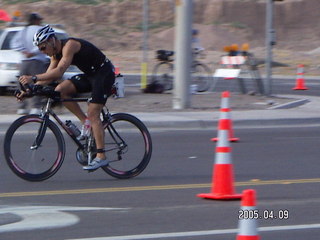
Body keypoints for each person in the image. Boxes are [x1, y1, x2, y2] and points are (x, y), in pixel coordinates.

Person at [17, 25, 115, 171]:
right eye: (39, 49)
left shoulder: (70, 45)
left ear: (51, 41)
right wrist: (29, 91)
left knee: (94, 112)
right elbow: (47, 78)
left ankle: (101, 157)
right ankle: (86, 123)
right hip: (90, 76)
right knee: (61, 90)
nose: (42, 52)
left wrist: (33, 77)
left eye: (43, 48)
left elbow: (59, 72)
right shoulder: (55, 55)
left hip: (104, 73)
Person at [11, 13, 49, 115]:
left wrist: (24, 51)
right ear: (36, 20)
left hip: (24, 61)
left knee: (22, 84)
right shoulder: (40, 29)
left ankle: (22, 107)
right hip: (37, 60)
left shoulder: (23, 31)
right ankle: (35, 107)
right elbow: (43, 42)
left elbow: (14, 43)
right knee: (37, 83)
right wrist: (33, 52)